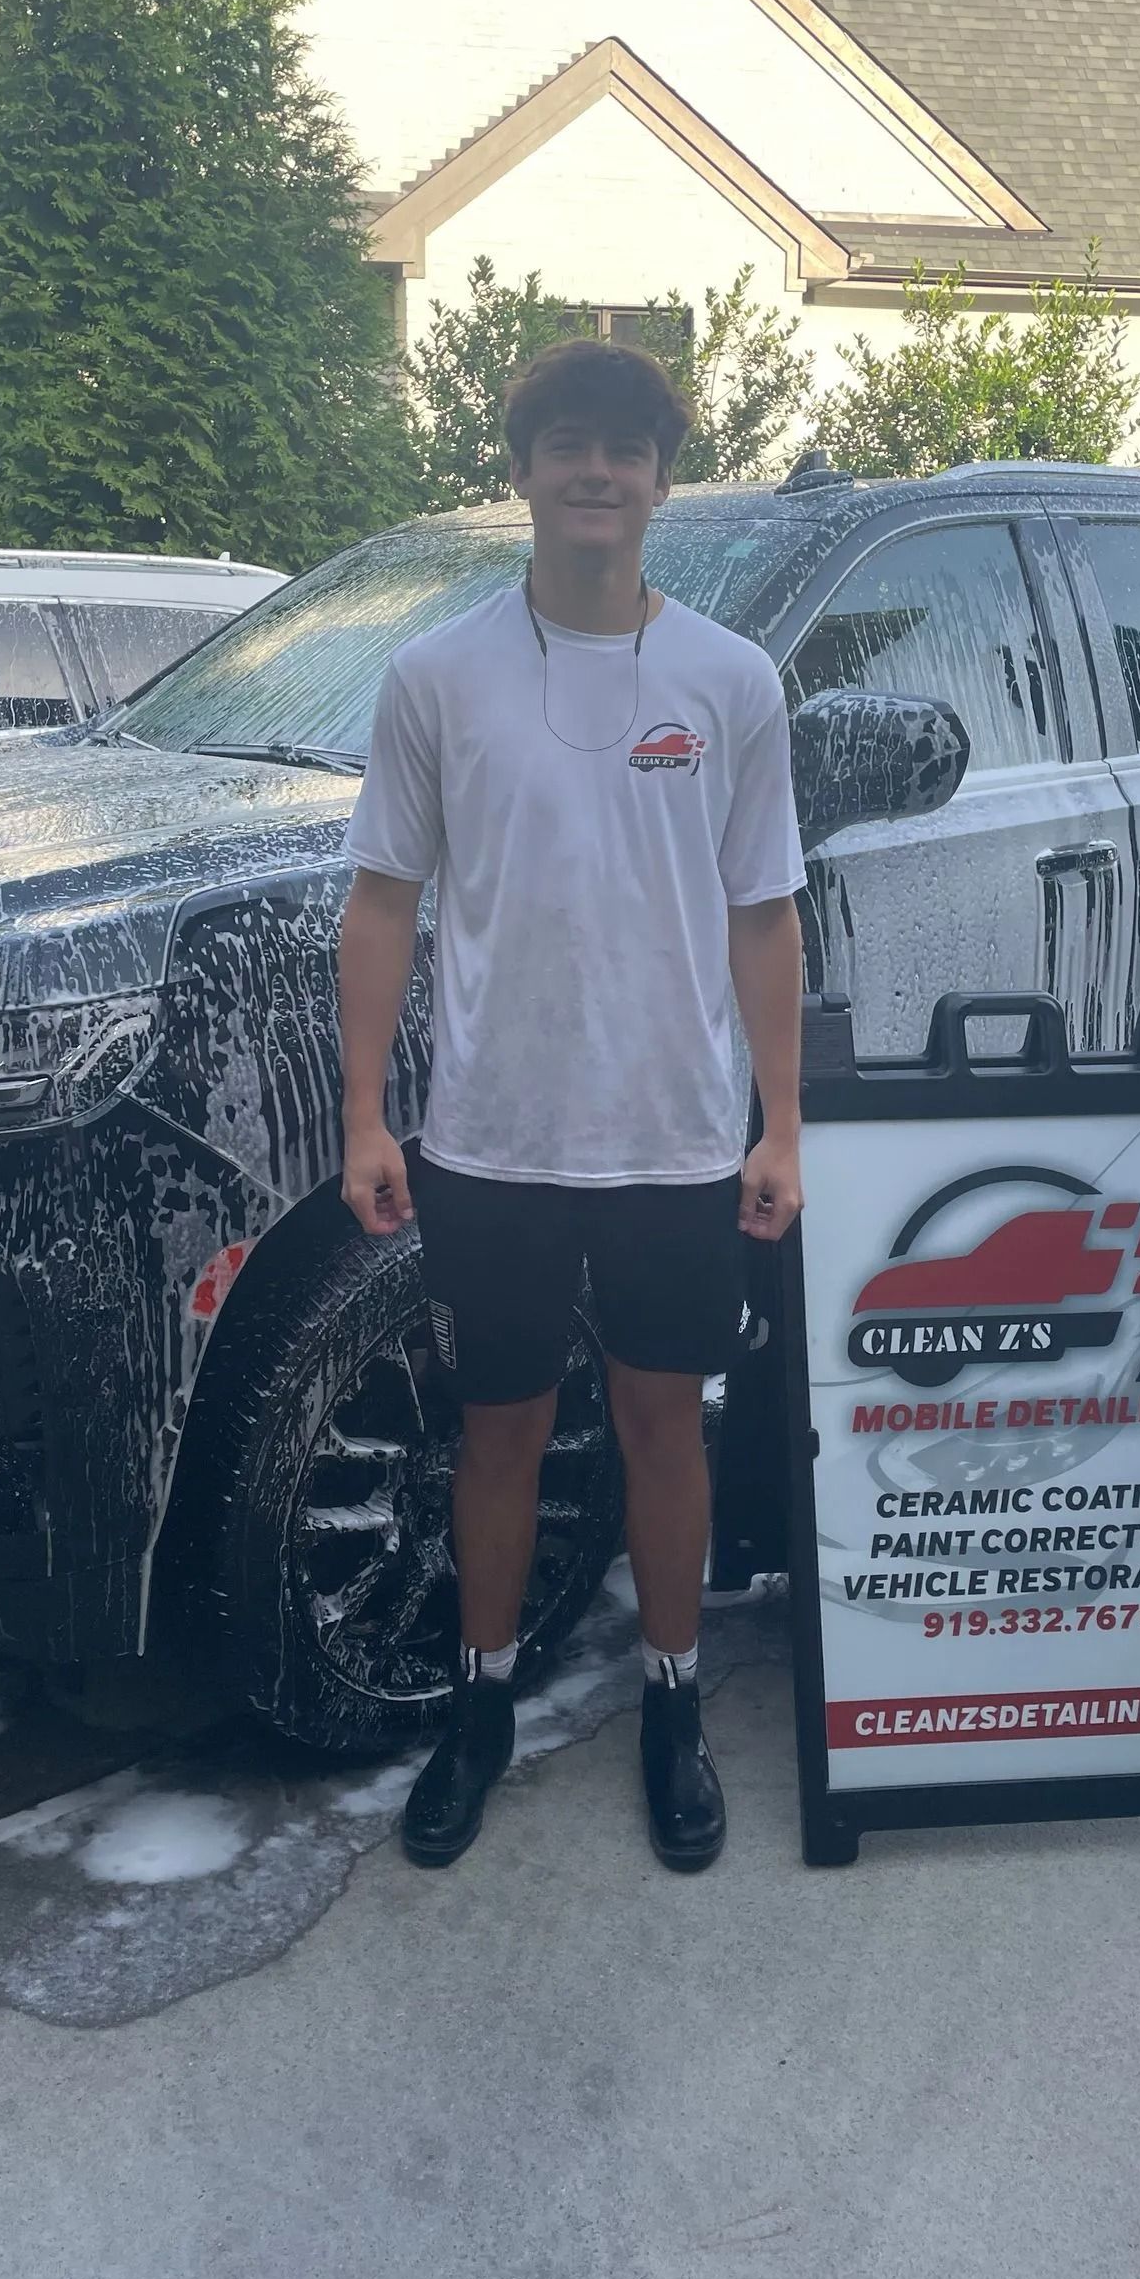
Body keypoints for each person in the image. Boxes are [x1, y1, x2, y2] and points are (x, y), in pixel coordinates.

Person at [337, 339, 806, 1872]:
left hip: (676, 1140)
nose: (595, 472)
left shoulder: (732, 682)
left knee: (666, 1424)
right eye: (565, 446)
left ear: (662, 480)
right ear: (523, 472)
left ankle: (672, 1701)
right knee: (501, 1432)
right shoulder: (437, 676)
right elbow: (383, 905)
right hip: (493, 1140)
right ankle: (480, 1711)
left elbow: (764, 917)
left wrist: (779, 1125)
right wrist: (364, 1116)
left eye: (624, 448)